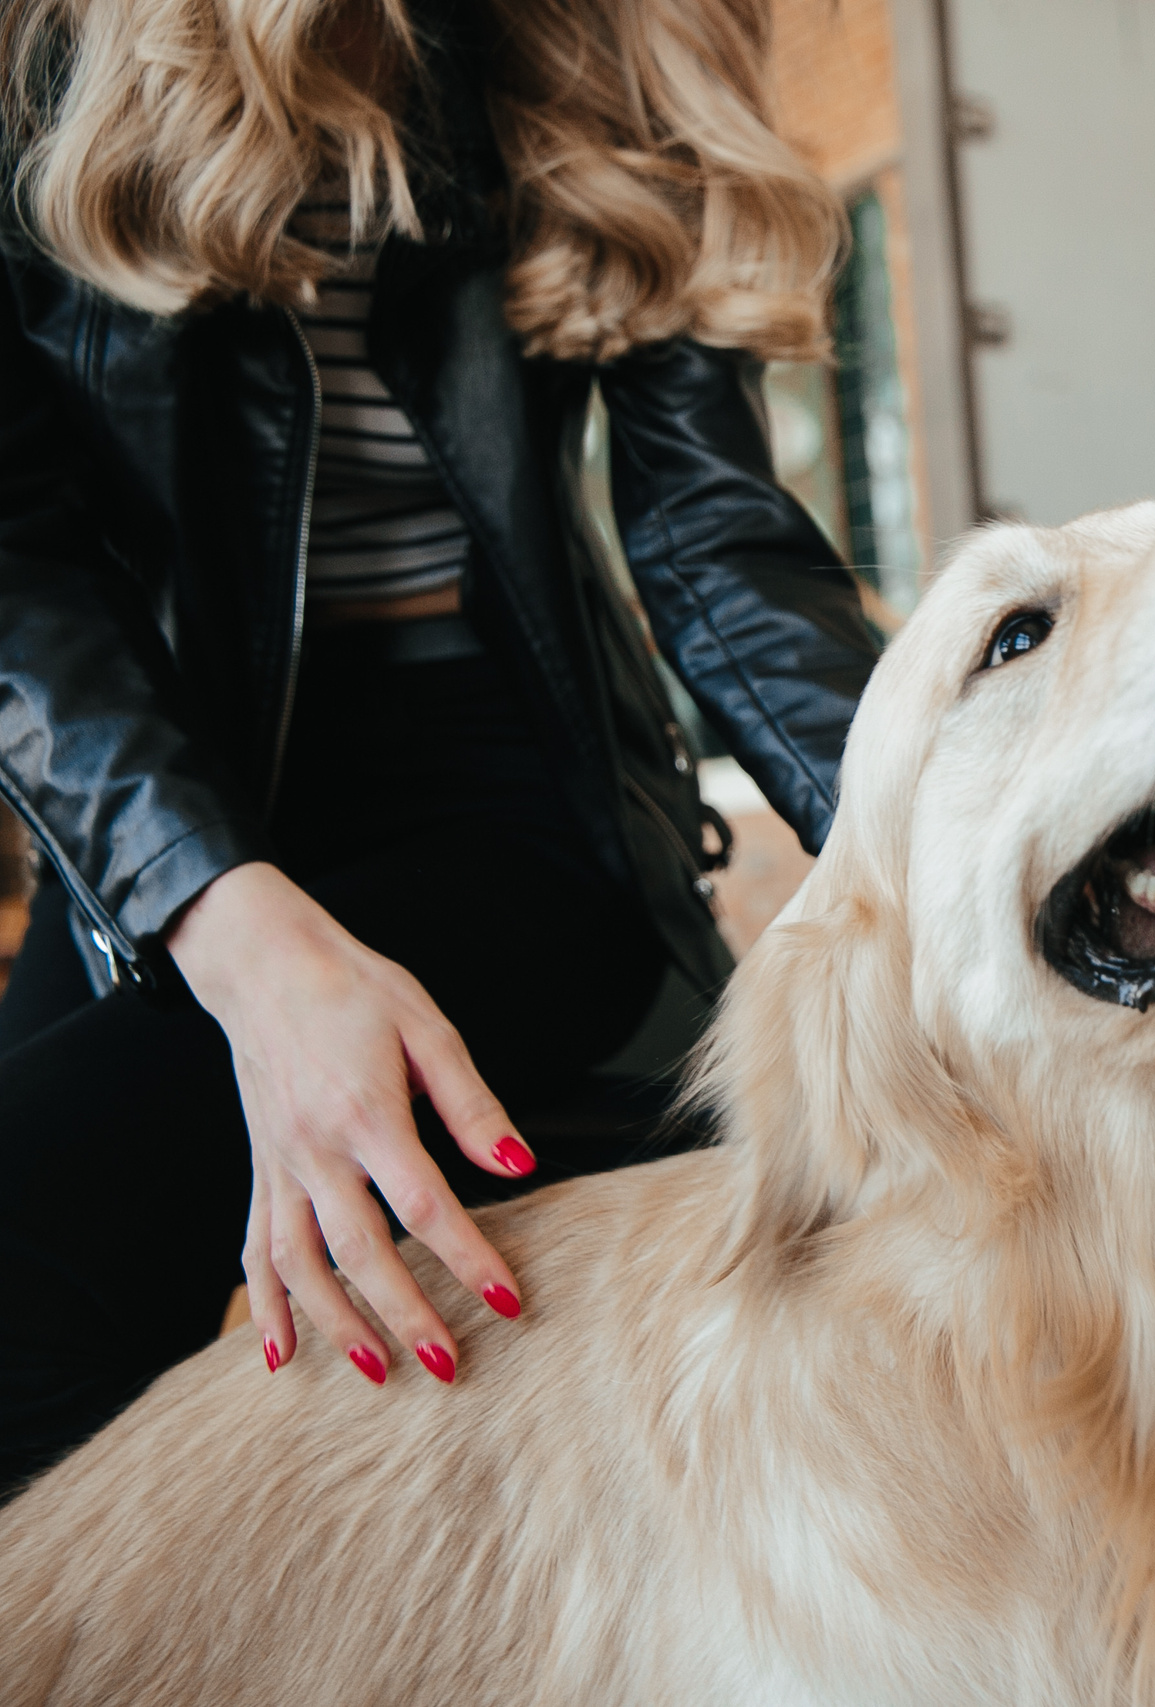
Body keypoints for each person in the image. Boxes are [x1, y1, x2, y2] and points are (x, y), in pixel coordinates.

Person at [0, 0, 876, 1494]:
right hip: (170, 792)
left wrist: (945, 849)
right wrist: (231, 936)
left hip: (521, 790)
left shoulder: (611, 31)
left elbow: (716, 536)